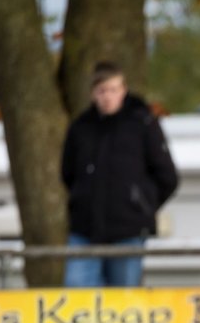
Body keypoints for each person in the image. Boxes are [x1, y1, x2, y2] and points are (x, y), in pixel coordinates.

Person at [61, 62, 179, 288]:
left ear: (123, 90)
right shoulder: (80, 127)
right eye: (102, 91)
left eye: (113, 90)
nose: (108, 97)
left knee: (123, 300)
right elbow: (68, 173)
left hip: (128, 230)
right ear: (93, 93)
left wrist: (140, 204)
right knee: (77, 293)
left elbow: (167, 176)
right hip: (85, 229)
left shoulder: (142, 123)